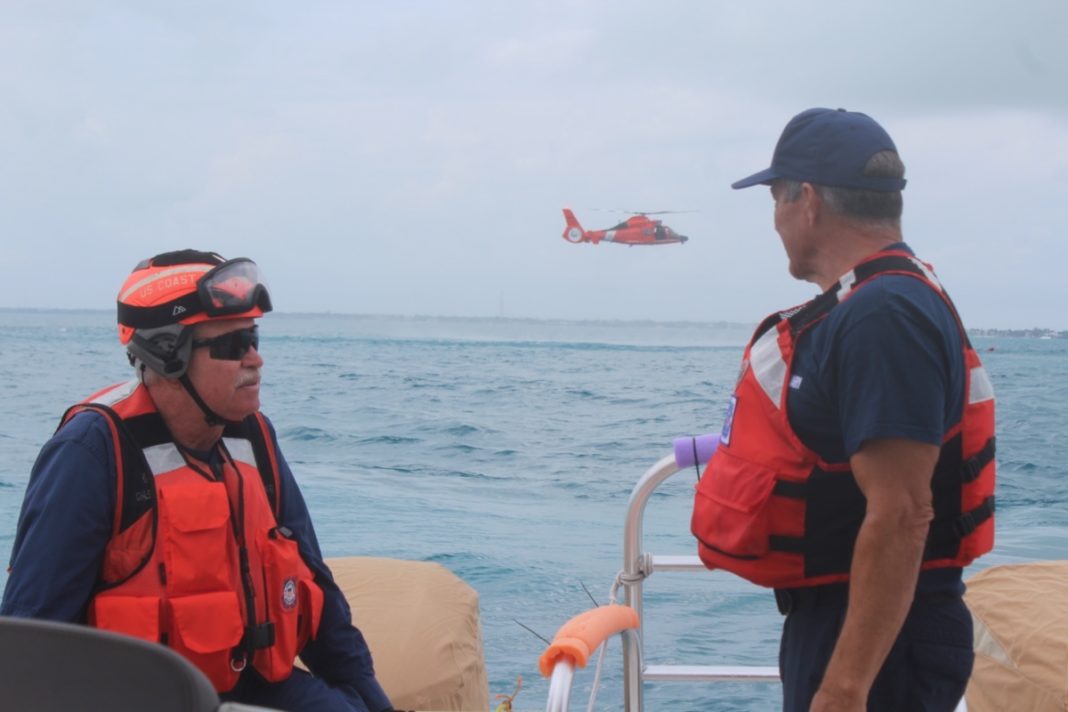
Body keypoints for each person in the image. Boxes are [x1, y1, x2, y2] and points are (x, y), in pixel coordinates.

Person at [690, 109, 996, 712]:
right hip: (855, 625)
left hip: (879, 646)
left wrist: (845, 688)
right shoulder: (875, 301)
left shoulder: (886, 315)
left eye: (775, 198)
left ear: (806, 201)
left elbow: (904, 511)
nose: (774, 220)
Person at [2, 250, 394, 712]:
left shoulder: (255, 438)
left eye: (253, 337)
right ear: (168, 356)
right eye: (232, 346)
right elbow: (28, 642)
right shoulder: (90, 452)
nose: (255, 358)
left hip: (250, 685)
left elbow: (318, 594)